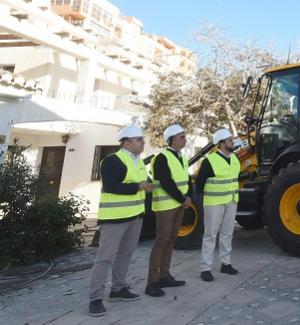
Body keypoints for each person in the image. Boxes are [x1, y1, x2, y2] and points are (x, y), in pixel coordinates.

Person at [89, 125, 153, 317]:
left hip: (135, 216)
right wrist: (139, 186)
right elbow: (111, 186)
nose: (143, 142)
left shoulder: (139, 162)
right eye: (139, 139)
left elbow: (146, 182)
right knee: (105, 258)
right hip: (114, 218)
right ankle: (95, 298)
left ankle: (118, 289)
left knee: (125, 255)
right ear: (126, 142)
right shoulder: (112, 160)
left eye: (142, 139)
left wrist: (148, 186)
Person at [145, 124, 191, 297]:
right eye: (181, 137)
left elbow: (186, 180)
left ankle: (164, 276)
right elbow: (166, 182)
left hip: (178, 205)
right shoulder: (162, 158)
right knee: (162, 240)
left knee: (171, 239)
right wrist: (183, 199)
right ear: (171, 140)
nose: (185, 140)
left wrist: (189, 196)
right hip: (166, 206)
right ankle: (152, 282)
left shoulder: (182, 157)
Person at [196, 128, 240, 281]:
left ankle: (225, 264)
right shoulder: (210, 161)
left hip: (231, 200)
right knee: (210, 236)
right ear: (221, 144)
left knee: (227, 234)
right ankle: (205, 269)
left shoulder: (234, 158)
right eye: (229, 141)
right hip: (214, 203)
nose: (232, 142)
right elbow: (199, 184)